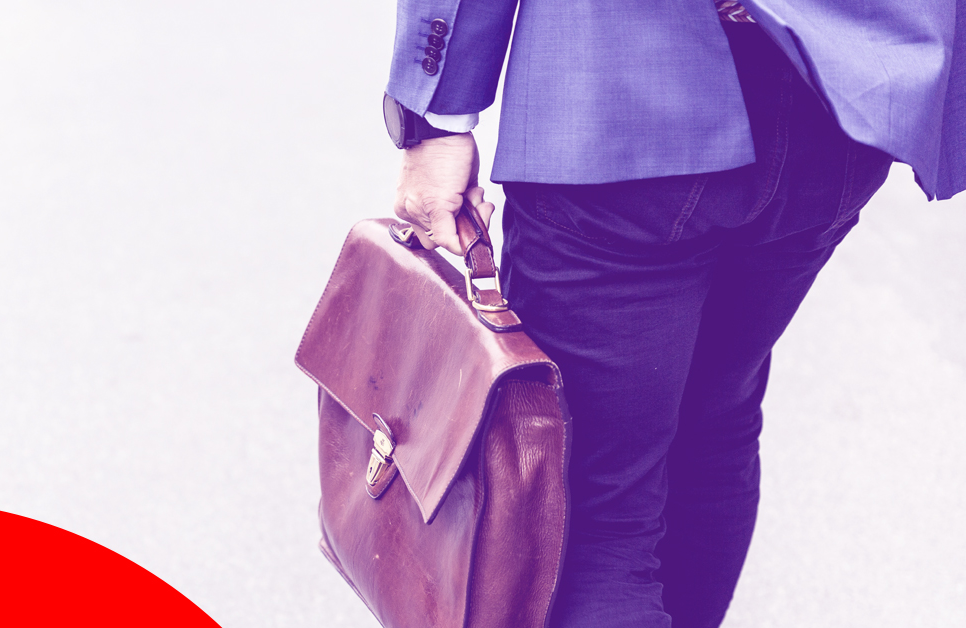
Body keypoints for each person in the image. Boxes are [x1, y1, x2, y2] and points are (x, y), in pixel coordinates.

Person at [383, 1, 966, 626]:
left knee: (591, 499)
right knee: (712, 426)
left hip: (625, 98)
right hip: (838, 100)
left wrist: (437, 116)